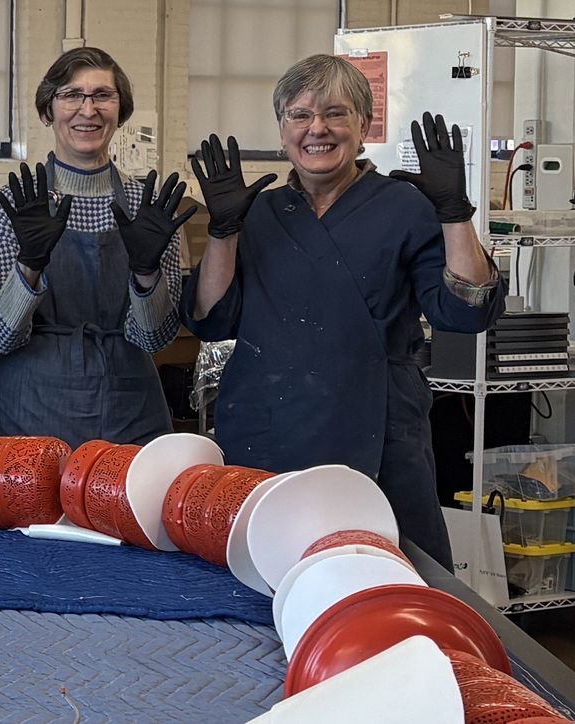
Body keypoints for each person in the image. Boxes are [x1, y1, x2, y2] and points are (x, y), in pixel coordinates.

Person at [186, 53, 505, 566]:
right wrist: (222, 232)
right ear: (282, 128)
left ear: (364, 125)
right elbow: (211, 318)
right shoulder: (258, 212)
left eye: (335, 113)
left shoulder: (405, 206)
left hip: (378, 429)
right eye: (300, 115)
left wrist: (453, 213)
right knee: (261, 575)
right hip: (268, 427)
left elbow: (463, 312)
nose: (318, 129)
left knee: (386, 576)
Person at [0, 48, 196, 448]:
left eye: (102, 96)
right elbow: (0, 337)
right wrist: (29, 267)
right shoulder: (17, 204)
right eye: (72, 95)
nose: (87, 110)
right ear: (47, 111)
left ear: (120, 110)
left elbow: (156, 339)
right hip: (24, 409)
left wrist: (146, 272)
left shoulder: (149, 208)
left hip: (126, 406)